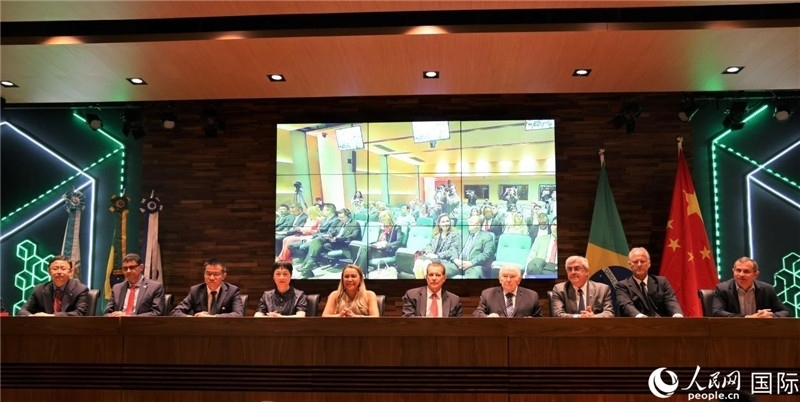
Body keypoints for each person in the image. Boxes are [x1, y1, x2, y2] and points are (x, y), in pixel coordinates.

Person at [712, 256, 790, 318]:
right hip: (734, 329)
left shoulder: (767, 289)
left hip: (761, 329)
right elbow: (717, 312)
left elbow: (786, 312)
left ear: (755, 274)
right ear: (733, 271)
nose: (741, 274)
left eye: (746, 271)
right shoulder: (722, 289)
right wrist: (747, 318)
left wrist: (770, 315)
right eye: (738, 270)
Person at [615, 247, 683, 318]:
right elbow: (626, 305)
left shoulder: (662, 282)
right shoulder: (622, 286)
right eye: (635, 262)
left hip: (661, 322)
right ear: (630, 265)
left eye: (642, 261)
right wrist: (640, 317)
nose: (639, 265)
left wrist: (677, 314)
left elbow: (671, 300)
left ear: (649, 264)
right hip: (636, 323)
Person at [296, 208, 361, 278]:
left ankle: (307, 266)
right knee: (316, 243)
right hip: (333, 242)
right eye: (339, 217)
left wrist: (337, 239)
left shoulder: (355, 224)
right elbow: (334, 231)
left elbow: (353, 236)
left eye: (342, 217)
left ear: (348, 216)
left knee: (316, 243)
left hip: (343, 244)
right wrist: (330, 235)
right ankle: (308, 267)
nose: (341, 219)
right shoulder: (340, 223)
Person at [18, 255, 90, 316]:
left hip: (70, 326)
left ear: (71, 272)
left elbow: (79, 313)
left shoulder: (80, 289)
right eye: (55, 269)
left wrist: (52, 317)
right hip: (44, 327)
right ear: (49, 271)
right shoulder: (39, 289)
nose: (59, 272)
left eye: (63, 269)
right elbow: (23, 311)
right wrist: (32, 317)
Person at [171, 259, 244, 317]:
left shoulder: (232, 291)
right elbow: (175, 312)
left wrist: (213, 317)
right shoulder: (195, 290)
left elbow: (238, 314)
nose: (211, 278)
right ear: (204, 274)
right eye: (208, 274)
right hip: (200, 329)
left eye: (216, 274)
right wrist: (194, 318)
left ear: (223, 276)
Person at [550, 255, 614, 318]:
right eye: (569, 269)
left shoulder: (602, 289)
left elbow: (609, 313)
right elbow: (557, 314)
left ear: (586, 271)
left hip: (595, 324)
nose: (573, 272)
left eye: (576, 269)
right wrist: (579, 316)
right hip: (570, 325)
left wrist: (593, 317)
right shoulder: (560, 290)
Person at [473, 264, 542, 317]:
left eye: (512, 276)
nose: (508, 280)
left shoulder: (532, 296)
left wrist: (530, 320)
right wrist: (487, 317)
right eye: (505, 276)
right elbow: (477, 313)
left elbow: (539, 319)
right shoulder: (488, 294)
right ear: (500, 279)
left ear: (519, 280)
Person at [412, 213, 461, 279]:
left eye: (447, 221)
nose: (445, 223)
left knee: (427, 264)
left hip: (445, 260)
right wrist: (429, 252)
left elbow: (452, 251)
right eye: (443, 222)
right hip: (433, 258)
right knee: (418, 262)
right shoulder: (436, 234)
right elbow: (429, 245)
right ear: (439, 224)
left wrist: (437, 255)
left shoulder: (455, 234)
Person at [452, 214, 495, 279]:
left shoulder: (487, 237)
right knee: (441, 270)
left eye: (471, 222)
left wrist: (471, 263)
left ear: (478, 225)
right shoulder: (463, 234)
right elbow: (454, 247)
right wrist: (455, 260)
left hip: (474, 266)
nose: (468, 224)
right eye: (469, 222)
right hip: (458, 263)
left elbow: (486, 254)